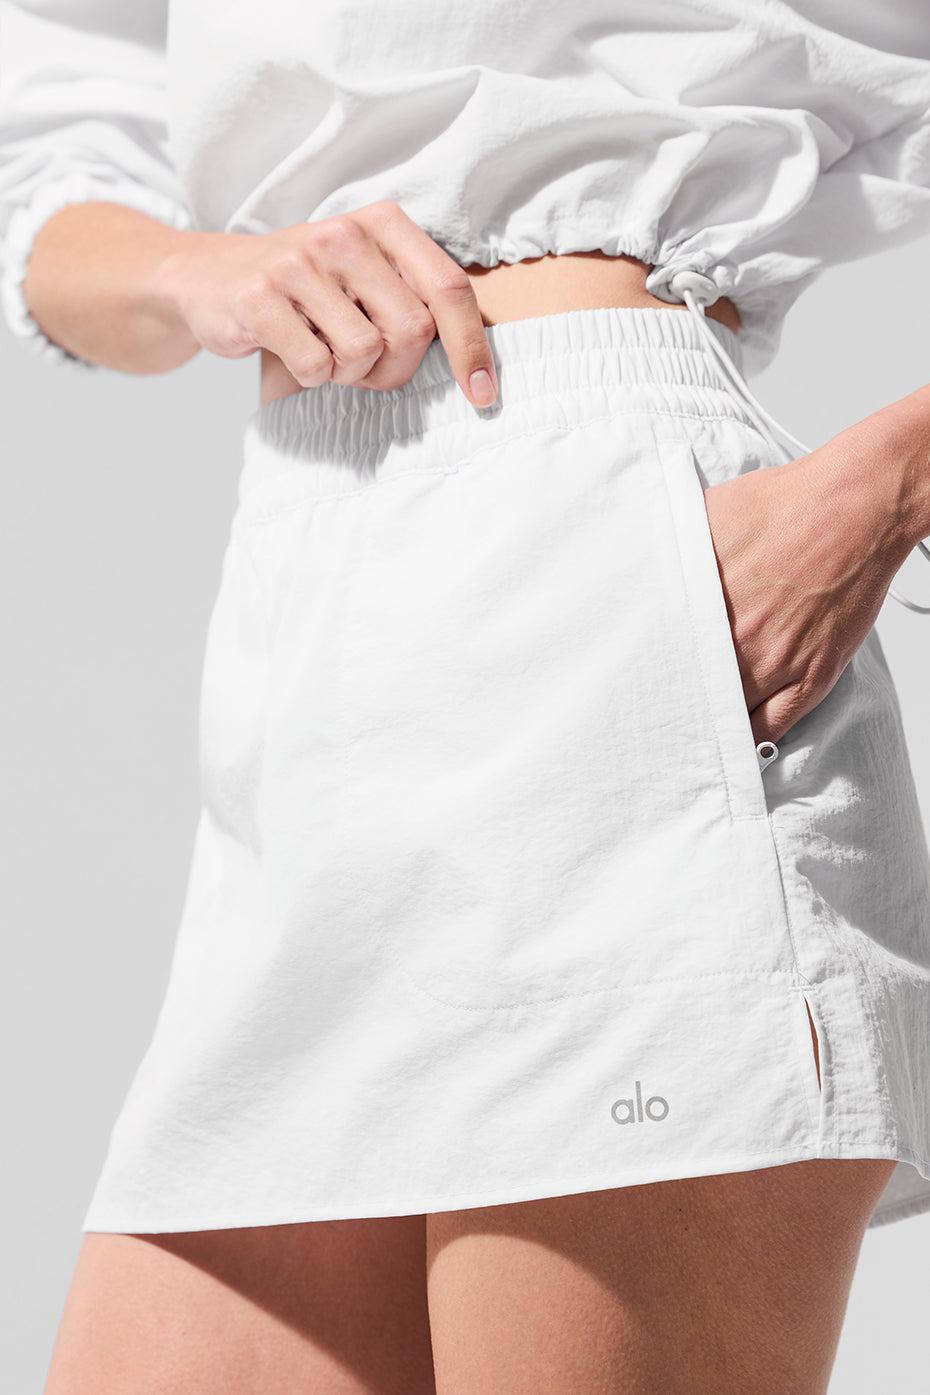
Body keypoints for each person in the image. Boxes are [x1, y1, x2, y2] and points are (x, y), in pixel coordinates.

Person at [2, 3, 930, 1392]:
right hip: (309, 621)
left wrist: (893, 479)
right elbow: (53, 160)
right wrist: (201, 271)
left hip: (612, 560)